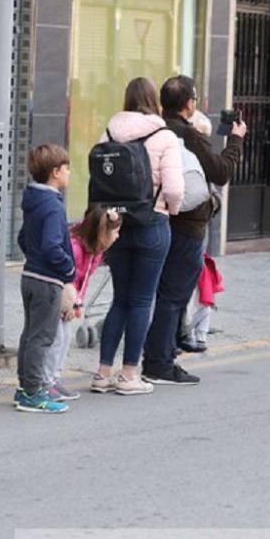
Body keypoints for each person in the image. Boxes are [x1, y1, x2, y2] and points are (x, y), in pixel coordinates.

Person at [141, 75, 244, 386]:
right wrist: (236, 140)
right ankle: (159, 362)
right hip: (186, 225)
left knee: (160, 292)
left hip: (156, 220)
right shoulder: (187, 135)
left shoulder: (154, 130)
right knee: (174, 294)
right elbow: (221, 172)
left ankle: (161, 352)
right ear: (189, 104)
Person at [92, 77, 184, 396]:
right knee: (143, 299)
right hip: (152, 221)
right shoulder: (164, 135)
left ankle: (103, 372)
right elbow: (174, 188)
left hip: (116, 222)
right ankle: (130, 374)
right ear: (153, 101)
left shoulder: (109, 131)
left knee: (120, 298)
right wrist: (169, 209)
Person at [13, 144, 76, 413]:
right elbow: (53, 246)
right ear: (55, 172)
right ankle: (33, 392)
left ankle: (25, 385)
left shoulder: (33, 201)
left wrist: (35, 258)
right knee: (43, 337)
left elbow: (23, 238)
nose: (69, 173)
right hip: (47, 281)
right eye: (66, 168)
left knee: (30, 335)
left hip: (30, 275)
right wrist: (68, 270)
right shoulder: (52, 205)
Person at [42, 204, 122, 402]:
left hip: (71, 297)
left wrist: (77, 303)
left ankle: (55, 377)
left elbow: (85, 280)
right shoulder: (75, 249)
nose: (118, 236)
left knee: (65, 336)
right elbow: (67, 278)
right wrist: (68, 303)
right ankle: (45, 380)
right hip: (58, 295)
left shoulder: (96, 251)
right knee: (56, 339)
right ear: (103, 232)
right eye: (116, 232)